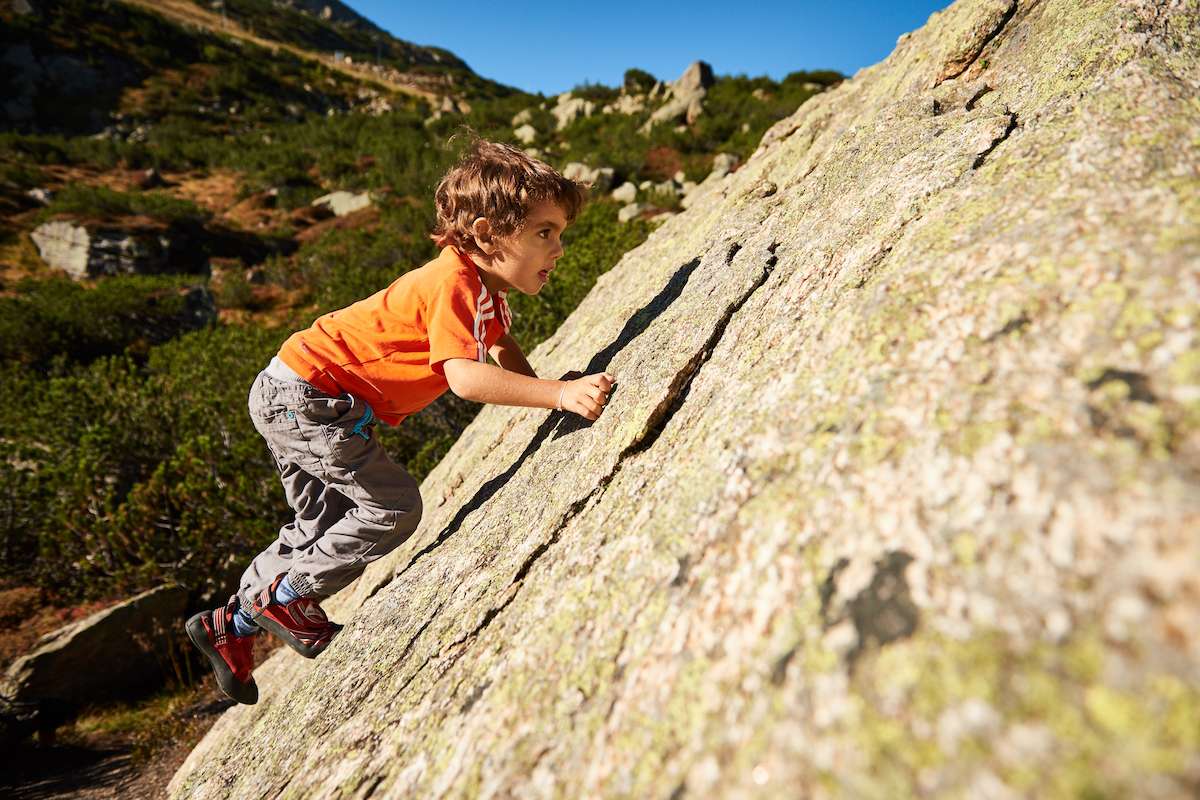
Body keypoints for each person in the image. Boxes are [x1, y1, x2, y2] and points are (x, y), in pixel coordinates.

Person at [185, 137, 616, 705]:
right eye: (544, 232)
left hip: (296, 389)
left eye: (559, 232)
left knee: (321, 526)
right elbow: (465, 376)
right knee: (391, 508)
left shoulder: (486, 291)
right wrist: (560, 395)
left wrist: (540, 395)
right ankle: (286, 595)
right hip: (308, 396)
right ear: (486, 233)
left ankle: (230, 627)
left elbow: (501, 345)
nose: (559, 247)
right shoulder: (454, 283)